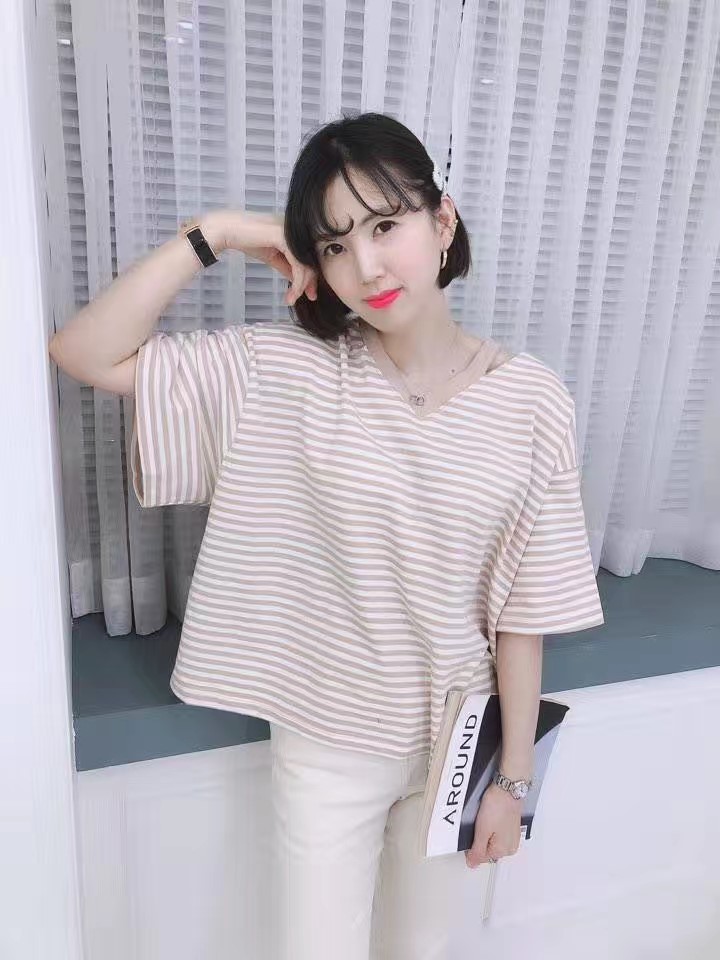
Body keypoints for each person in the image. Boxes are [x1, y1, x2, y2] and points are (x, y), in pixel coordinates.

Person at [49, 111, 604, 959]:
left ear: (442, 220)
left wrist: (513, 781)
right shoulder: (287, 371)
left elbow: (521, 615)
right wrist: (218, 232)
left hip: (458, 738)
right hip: (328, 742)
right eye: (335, 244)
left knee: (422, 952)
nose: (366, 266)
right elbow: (84, 352)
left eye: (385, 226)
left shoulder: (532, 400)